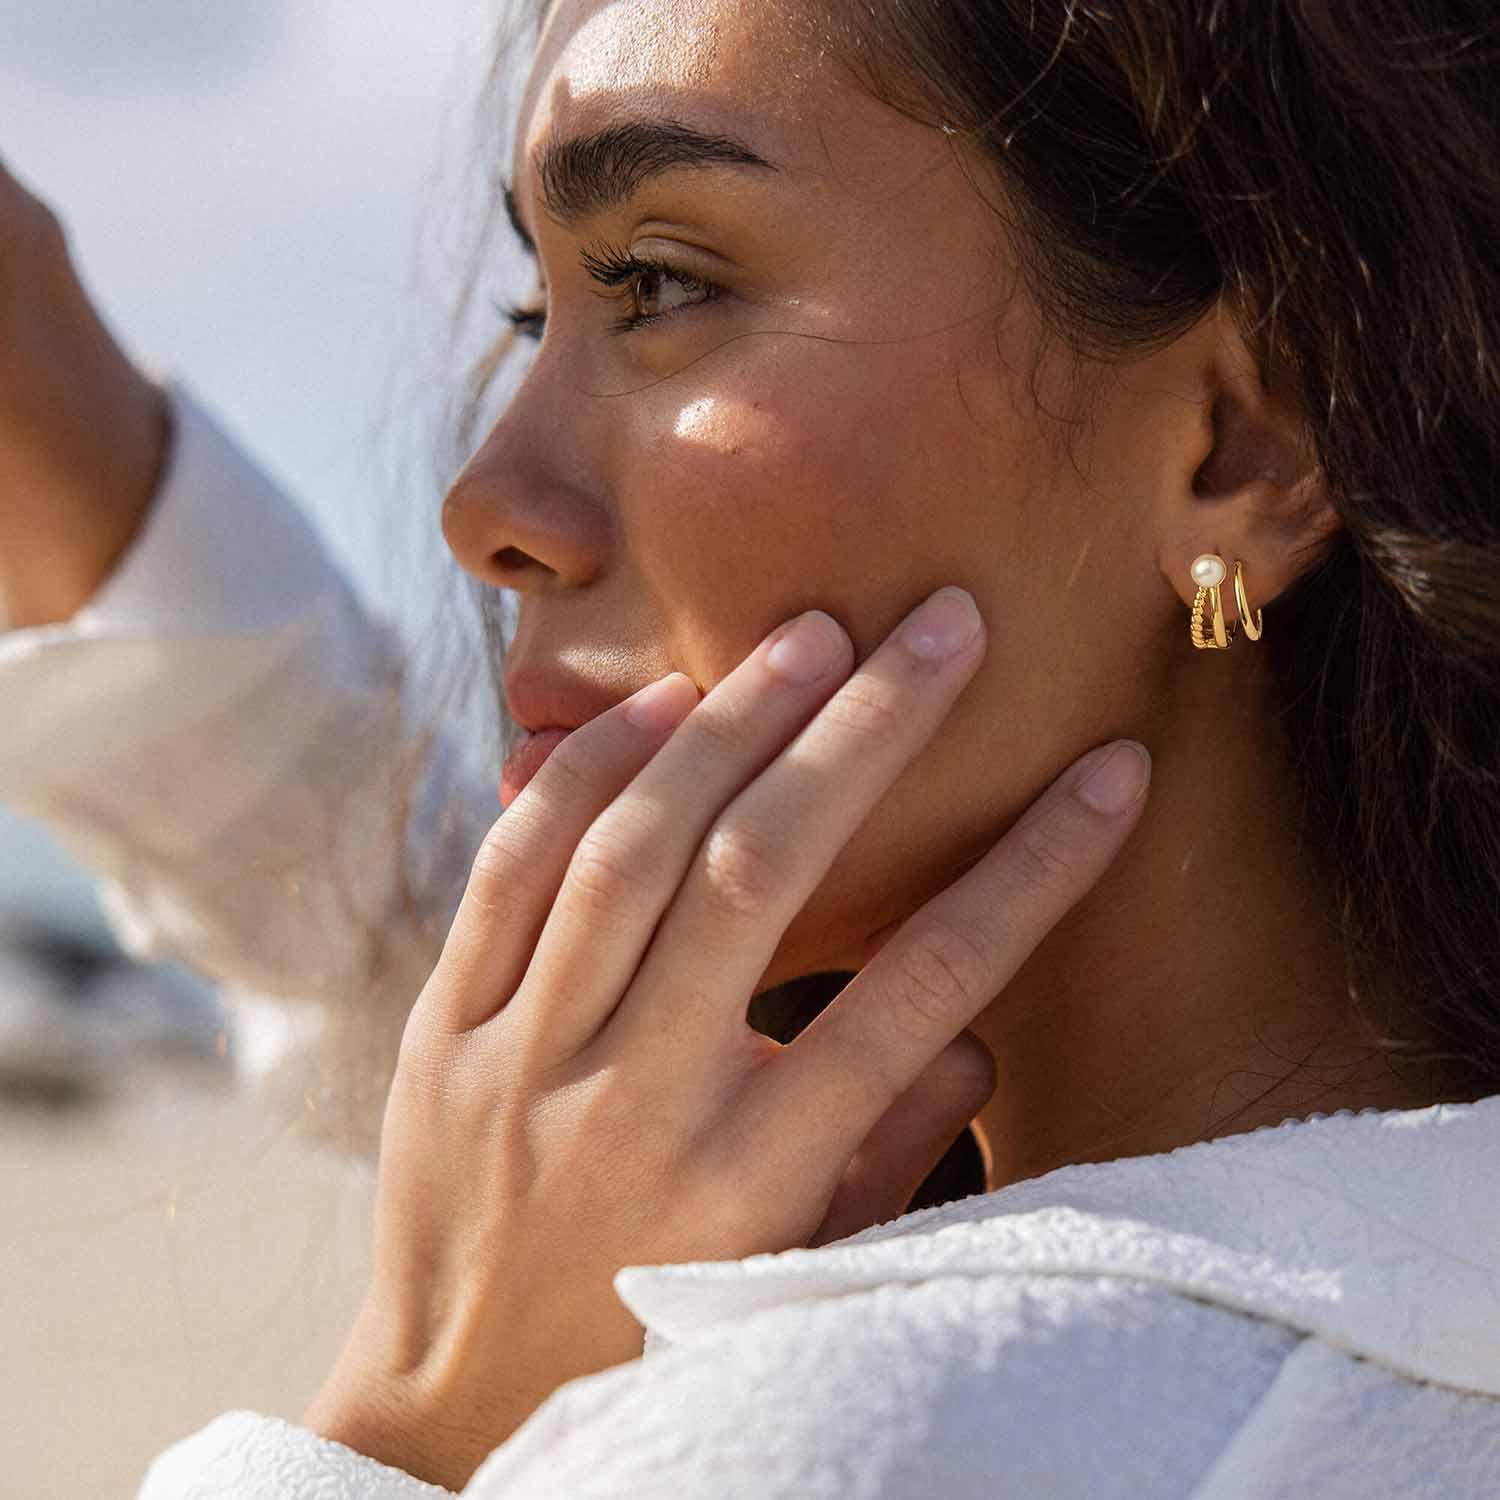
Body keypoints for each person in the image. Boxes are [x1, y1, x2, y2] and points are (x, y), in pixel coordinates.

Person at [4, 0, 1500, 1494]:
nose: (485, 505)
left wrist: (420, 1417)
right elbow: (424, 932)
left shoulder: (847, 1433)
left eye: (657, 283)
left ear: (1239, 444)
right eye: (538, 317)